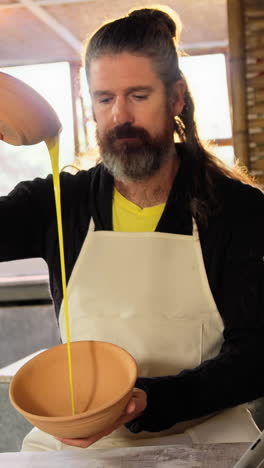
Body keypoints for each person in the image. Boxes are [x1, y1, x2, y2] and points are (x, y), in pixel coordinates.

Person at [1, 6, 264, 452]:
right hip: (78, 449)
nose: (120, 116)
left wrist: (150, 401)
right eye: (105, 98)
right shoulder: (59, 204)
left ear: (176, 97)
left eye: (138, 95)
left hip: (204, 444)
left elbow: (256, 354)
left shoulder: (236, 211)